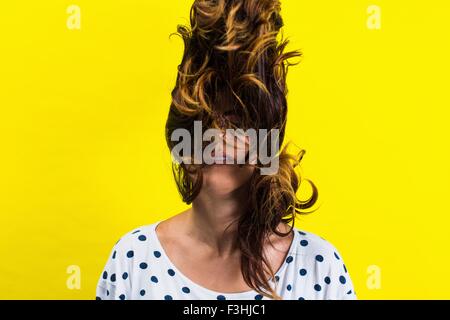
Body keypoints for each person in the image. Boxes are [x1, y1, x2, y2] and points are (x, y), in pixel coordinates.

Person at [95, 0, 356, 300]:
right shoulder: (132, 260)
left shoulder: (321, 270)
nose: (217, 137)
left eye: (236, 122)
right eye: (203, 121)